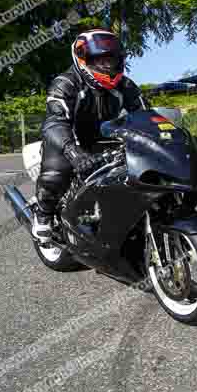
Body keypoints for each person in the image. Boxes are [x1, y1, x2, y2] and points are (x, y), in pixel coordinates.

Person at [31, 28, 146, 242]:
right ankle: (43, 215)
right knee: (57, 174)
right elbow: (54, 122)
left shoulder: (126, 85)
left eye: (111, 60)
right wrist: (73, 152)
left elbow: (145, 116)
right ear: (83, 60)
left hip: (105, 139)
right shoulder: (65, 83)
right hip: (68, 140)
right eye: (99, 60)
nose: (107, 66)